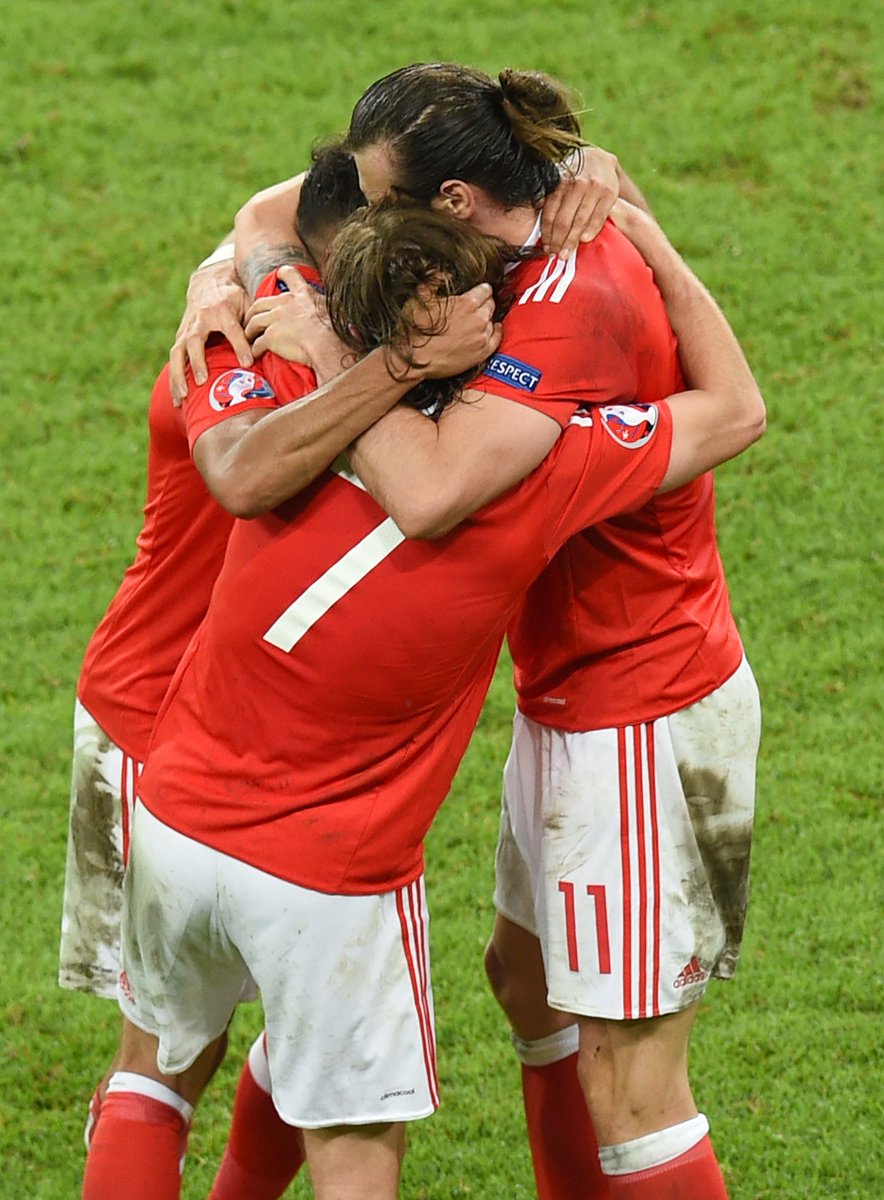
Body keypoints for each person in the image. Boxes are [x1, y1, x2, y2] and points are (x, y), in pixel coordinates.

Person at [80, 191, 763, 1200]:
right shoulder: (530, 474)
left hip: (171, 808)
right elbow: (735, 410)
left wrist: (243, 287)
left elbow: (281, 238)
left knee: (153, 1076)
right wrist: (640, 230)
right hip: (330, 871)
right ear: (439, 308)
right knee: (354, 1145)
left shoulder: (275, 386)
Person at [61, 145, 496, 1172]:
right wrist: (395, 363)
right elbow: (249, 472)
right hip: (170, 728)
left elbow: (267, 210)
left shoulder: (268, 278)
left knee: (215, 1046)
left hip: (206, 720)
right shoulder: (268, 345)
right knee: (172, 1058)